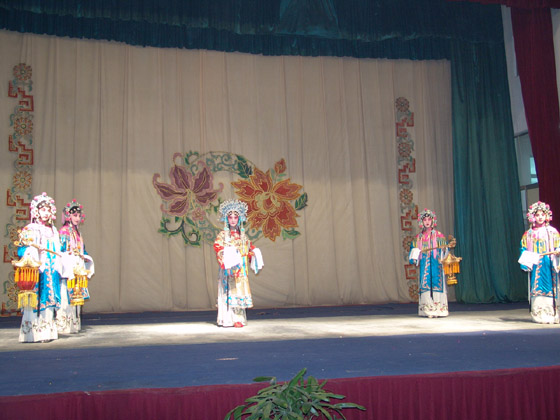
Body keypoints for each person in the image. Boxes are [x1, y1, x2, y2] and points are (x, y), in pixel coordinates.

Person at [16, 192, 62, 342]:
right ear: (36, 211)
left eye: (48, 210)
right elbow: (21, 250)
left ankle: (46, 332)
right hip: (37, 271)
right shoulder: (30, 229)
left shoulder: (53, 231)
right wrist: (32, 250)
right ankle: (31, 333)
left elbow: (57, 251)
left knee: (49, 299)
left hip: (50, 271)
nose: (46, 213)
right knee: (35, 299)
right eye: (43, 210)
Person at [213, 199, 263, 328]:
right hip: (229, 269)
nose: (233, 220)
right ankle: (227, 319)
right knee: (229, 292)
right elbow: (218, 247)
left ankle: (238, 319)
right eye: (230, 217)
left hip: (240, 270)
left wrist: (253, 253)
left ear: (239, 219)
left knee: (239, 293)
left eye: (235, 217)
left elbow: (248, 248)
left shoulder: (243, 236)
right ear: (226, 219)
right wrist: (227, 253)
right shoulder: (223, 235)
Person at [56, 199, 95, 333]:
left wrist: (85, 256)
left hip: (77, 266)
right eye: (74, 215)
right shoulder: (64, 231)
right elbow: (61, 250)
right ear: (68, 216)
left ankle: (74, 324)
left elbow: (82, 250)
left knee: (76, 295)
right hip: (68, 268)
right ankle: (64, 325)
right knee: (65, 296)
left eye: (79, 215)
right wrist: (70, 255)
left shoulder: (77, 232)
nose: (77, 218)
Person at [518, 201, 560, 324]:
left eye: (542, 214)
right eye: (537, 215)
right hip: (536, 264)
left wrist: (558, 251)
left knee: (551, 287)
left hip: (549, 263)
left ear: (546, 216)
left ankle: (552, 313)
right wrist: (528, 259)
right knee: (537, 287)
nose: (540, 217)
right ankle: (538, 314)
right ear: (533, 217)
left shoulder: (552, 232)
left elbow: (558, 245)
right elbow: (523, 249)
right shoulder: (529, 234)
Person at [408, 209, 451, 318]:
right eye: (425, 220)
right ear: (421, 222)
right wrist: (416, 252)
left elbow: (446, 251)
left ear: (433, 221)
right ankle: (427, 310)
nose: (427, 222)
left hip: (437, 265)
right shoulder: (418, 238)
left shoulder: (439, 236)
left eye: (429, 219)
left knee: (437, 284)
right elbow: (412, 251)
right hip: (425, 266)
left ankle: (439, 309)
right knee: (425, 285)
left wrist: (444, 249)